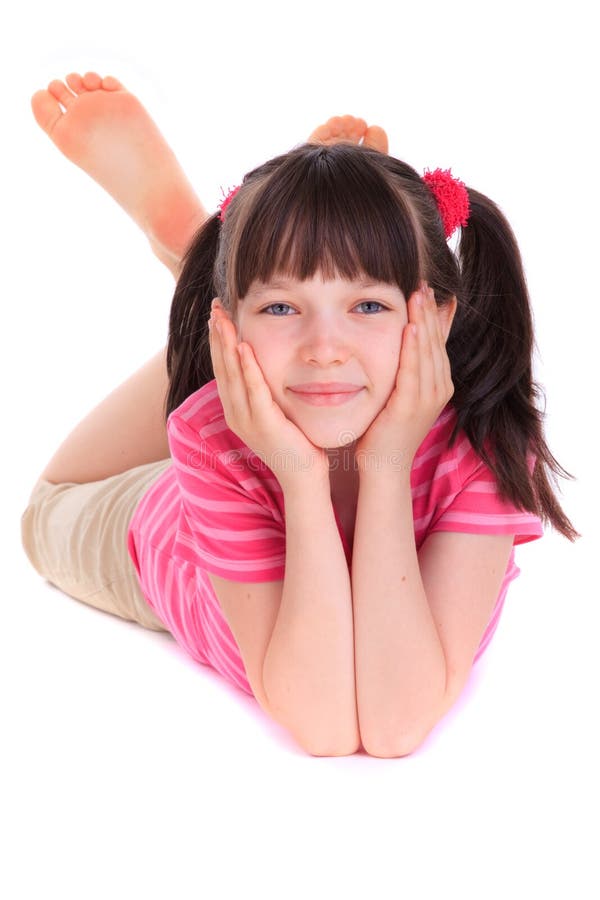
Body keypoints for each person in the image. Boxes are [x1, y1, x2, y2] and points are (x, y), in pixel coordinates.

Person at [21, 72, 579, 759]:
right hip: (169, 524)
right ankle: (210, 281)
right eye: (282, 306)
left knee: (275, 360)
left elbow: (393, 725)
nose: (324, 349)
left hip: (268, 389)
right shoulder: (214, 438)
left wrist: (387, 465)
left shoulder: (483, 442)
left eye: (367, 305)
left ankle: (224, 264)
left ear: (436, 317)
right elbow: (325, 727)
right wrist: (298, 473)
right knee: (46, 512)